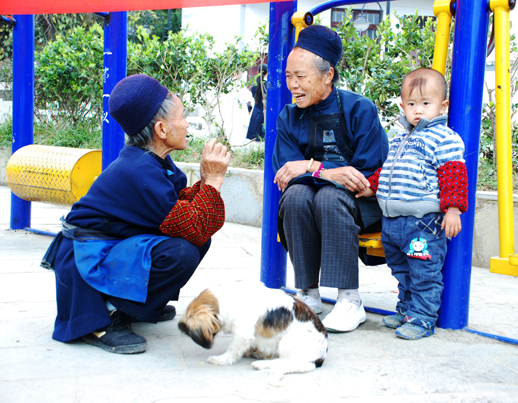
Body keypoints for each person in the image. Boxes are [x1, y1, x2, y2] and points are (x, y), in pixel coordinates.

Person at [41, 74, 231, 354]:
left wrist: (204, 182)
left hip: (114, 246)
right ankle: (104, 316)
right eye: (182, 116)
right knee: (182, 251)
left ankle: (134, 306)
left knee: (196, 241)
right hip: (87, 256)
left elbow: (186, 212)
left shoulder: (155, 160)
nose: (187, 123)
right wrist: (212, 182)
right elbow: (193, 225)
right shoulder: (138, 170)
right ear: (162, 129)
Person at [272, 25, 389, 333]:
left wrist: (311, 168)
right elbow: (287, 173)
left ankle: (350, 300)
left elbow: (362, 179)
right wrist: (324, 170)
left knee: (329, 196)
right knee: (295, 197)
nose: (292, 85)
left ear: (327, 75)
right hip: (307, 198)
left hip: (358, 205)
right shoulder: (288, 116)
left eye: (301, 76)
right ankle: (308, 295)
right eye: (288, 76)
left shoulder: (359, 109)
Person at [359, 68, 468, 340]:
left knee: (424, 272)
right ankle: (407, 309)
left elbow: (453, 175)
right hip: (392, 221)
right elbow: (387, 170)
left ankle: (422, 319)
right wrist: (371, 186)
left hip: (423, 224)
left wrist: (453, 209)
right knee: (401, 269)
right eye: (411, 104)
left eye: (425, 103)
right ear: (402, 106)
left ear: (443, 106)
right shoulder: (399, 138)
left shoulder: (444, 139)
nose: (417, 110)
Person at [246, 64, 268, 141]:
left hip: (256, 114)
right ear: (267, 72)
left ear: (258, 71)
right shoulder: (267, 85)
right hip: (265, 114)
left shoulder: (254, 85)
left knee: (254, 140)